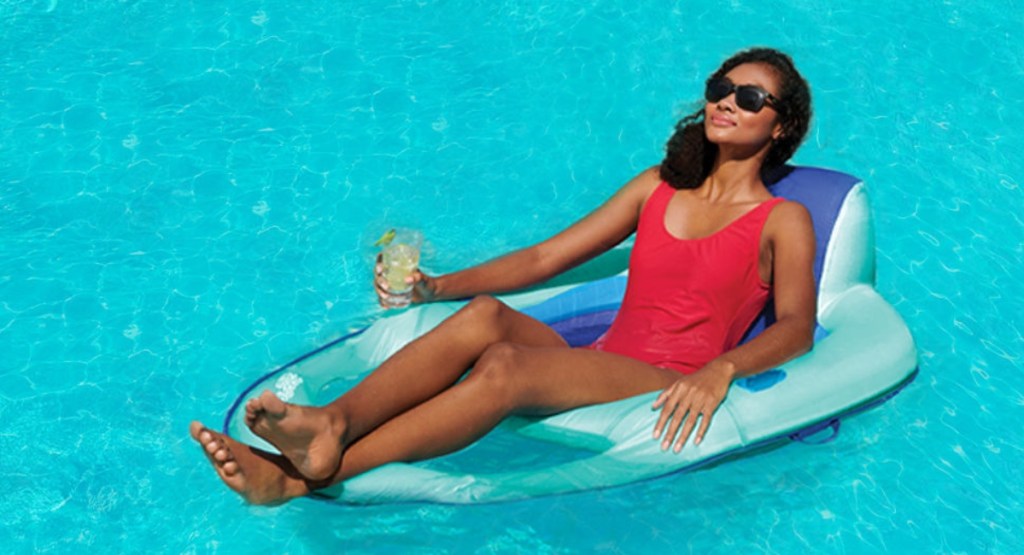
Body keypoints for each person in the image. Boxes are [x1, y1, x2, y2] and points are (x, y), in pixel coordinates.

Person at [191, 47, 817, 505]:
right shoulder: (658, 188)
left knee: (507, 368)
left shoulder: (781, 219)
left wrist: (722, 368)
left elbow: (796, 326)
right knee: (486, 315)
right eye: (719, 87)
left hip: (667, 380)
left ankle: (299, 479)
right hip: (605, 358)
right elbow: (546, 259)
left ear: (780, 124)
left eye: (751, 97)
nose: (727, 102)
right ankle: (332, 423)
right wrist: (436, 287)